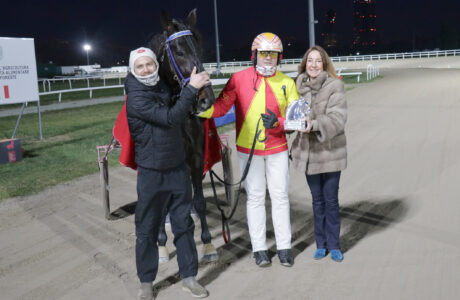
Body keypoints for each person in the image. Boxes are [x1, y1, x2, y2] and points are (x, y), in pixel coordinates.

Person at [199, 33, 299, 267]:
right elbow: (221, 108)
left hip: (278, 148)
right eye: (263, 54)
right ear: (254, 55)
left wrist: (279, 123)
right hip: (248, 149)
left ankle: (284, 247)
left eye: (273, 55)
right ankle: (260, 249)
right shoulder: (238, 78)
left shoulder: (287, 82)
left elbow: (297, 121)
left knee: (280, 196)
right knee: (254, 197)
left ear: (279, 58)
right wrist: (196, 112)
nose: (268, 59)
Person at [125, 47, 211, 299]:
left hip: (177, 170)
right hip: (152, 174)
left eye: (149, 64)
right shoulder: (136, 98)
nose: (146, 70)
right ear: (133, 70)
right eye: (139, 66)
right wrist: (192, 88)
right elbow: (172, 118)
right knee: (147, 229)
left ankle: (189, 278)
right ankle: (146, 283)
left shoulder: (161, 85)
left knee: (184, 225)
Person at [290, 45, 348, 262]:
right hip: (309, 155)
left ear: (324, 64)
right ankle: (321, 244)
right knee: (317, 201)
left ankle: (334, 245)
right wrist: (283, 123)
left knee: (331, 200)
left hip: (331, 152)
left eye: (318, 61)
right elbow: (291, 116)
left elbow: (337, 118)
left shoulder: (335, 85)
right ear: (305, 64)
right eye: (310, 61)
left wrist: (313, 124)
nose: (313, 65)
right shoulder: (297, 86)